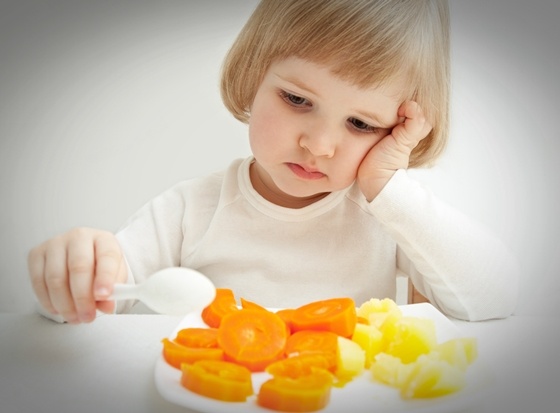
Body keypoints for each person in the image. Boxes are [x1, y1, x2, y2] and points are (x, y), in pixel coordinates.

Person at [27, 0, 519, 324]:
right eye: (297, 99)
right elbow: (96, 303)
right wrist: (74, 273)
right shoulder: (187, 211)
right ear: (253, 76)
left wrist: (388, 187)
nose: (320, 144)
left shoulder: (382, 217)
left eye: (361, 125)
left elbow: (497, 298)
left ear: (396, 129)